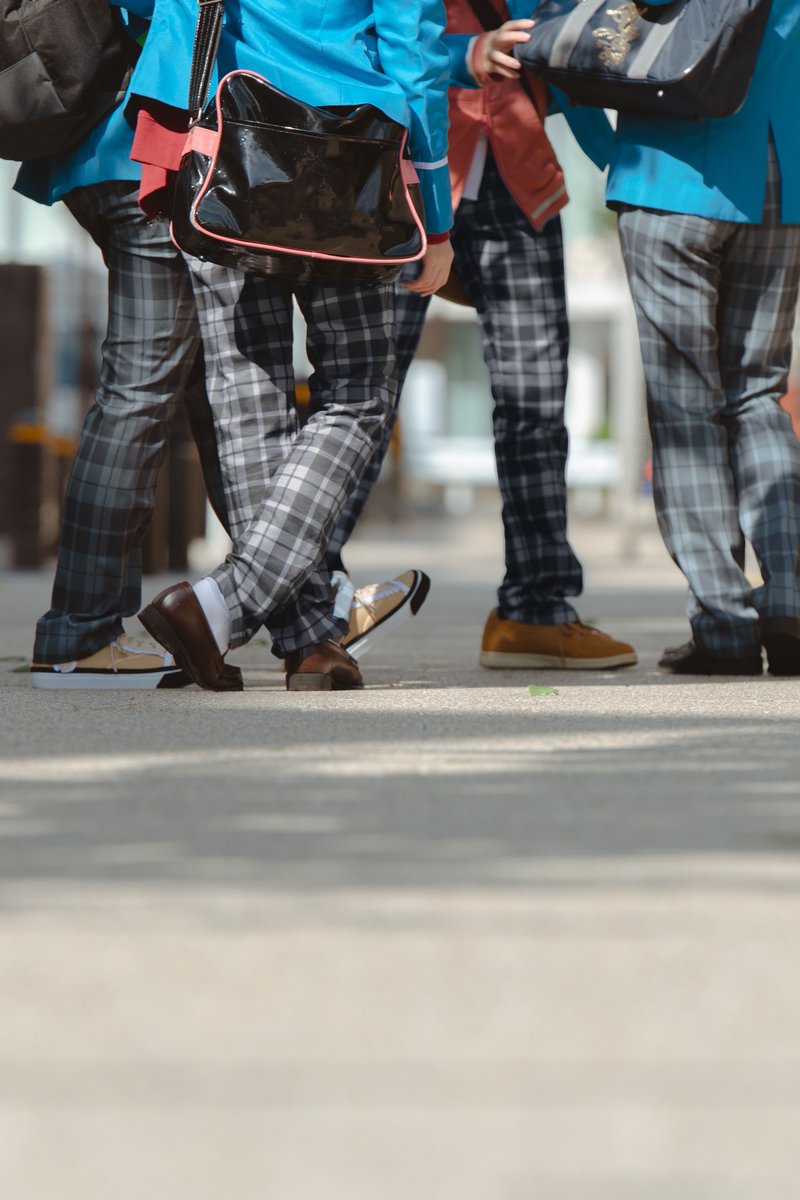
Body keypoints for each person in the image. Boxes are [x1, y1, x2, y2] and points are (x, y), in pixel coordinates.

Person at [23, 2, 430, 690]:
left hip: (149, 139)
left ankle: (297, 616)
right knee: (157, 389)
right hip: (193, 145)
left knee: (229, 394)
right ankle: (96, 629)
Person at [132, 0, 454, 691]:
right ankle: (232, 606)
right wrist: (435, 210)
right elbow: (414, 48)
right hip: (348, 151)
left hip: (221, 136)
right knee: (359, 396)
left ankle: (299, 637)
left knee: (247, 400)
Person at [325, 0, 638, 673]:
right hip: (403, 176)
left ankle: (536, 610)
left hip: (516, 177)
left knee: (536, 407)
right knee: (361, 399)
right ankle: (310, 603)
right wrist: (465, 55)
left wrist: (622, 154)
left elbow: (564, 32)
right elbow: (352, 34)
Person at [608, 0, 800, 676]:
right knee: (759, 394)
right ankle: (791, 601)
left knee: (685, 407)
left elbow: (589, 32)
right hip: (783, 177)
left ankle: (724, 623)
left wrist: (608, 150)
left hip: (669, 173)